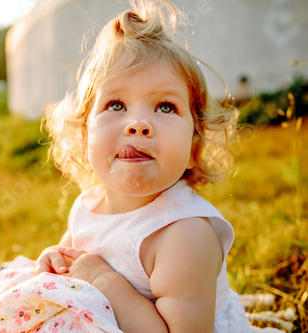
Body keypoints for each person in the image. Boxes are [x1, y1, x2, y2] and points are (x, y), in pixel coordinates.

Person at [33, 0, 251, 332]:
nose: (137, 124)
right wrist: (55, 260)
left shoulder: (184, 233)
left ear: (194, 145)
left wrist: (104, 280)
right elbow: (72, 259)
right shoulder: (89, 206)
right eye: (115, 104)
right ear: (83, 136)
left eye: (165, 107)